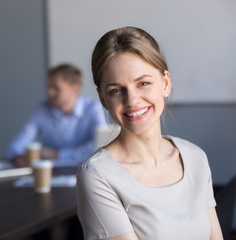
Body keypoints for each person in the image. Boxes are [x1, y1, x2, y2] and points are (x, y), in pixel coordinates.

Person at [76, 27, 223, 240]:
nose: (132, 101)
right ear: (102, 99)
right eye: (116, 90)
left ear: (165, 83)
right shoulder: (98, 175)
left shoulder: (194, 157)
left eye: (143, 83)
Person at [6, 64, 107, 167]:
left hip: (87, 172)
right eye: (49, 87)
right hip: (51, 175)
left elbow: (100, 147)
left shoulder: (93, 108)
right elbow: (18, 144)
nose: (49, 92)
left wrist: (56, 154)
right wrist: (17, 157)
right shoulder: (42, 109)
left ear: (74, 88)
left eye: (56, 88)